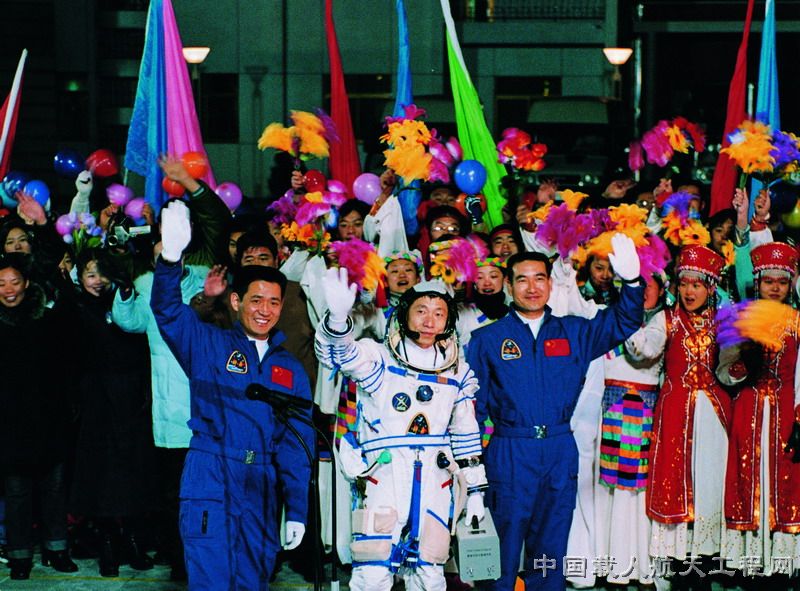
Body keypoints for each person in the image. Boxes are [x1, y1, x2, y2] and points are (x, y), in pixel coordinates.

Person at [466, 234, 644, 591]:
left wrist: (632, 283)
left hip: (560, 449)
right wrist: (472, 469)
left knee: (551, 548)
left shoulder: (575, 332)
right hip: (509, 450)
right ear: (508, 286)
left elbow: (623, 322)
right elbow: (473, 406)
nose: (532, 287)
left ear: (550, 283)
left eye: (539, 278)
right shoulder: (486, 339)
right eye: (522, 279)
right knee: (502, 547)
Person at [150, 200, 313, 590]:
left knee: (254, 581)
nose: (265, 310)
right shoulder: (208, 344)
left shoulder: (289, 370)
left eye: (274, 302)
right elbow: (168, 312)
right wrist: (170, 260)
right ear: (237, 302)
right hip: (212, 474)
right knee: (212, 580)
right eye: (256, 300)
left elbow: (296, 443)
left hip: (262, 483)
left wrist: (297, 509)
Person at [316, 270, 487, 591]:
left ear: (448, 321)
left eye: (439, 313)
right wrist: (338, 320)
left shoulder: (457, 372)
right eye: (421, 310)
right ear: (405, 313)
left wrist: (476, 492)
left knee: (430, 568)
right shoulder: (380, 359)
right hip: (386, 474)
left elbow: (466, 433)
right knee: (373, 566)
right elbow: (338, 356)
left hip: (436, 478)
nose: (429, 320)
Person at [65, 248, 156, 577]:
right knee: (101, 474)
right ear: (79, 277)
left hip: (130, 397)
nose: (98, 281)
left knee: (132, 470)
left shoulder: (126, 303)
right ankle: (106, 543)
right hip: (95, 400)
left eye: (103, 273)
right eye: (90, 274)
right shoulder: (74, 308)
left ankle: (131, 539)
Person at [646, 245, 729, 587]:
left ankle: (706, 562)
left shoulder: (724, 322)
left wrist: (737, 366)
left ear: (711, 287)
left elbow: (731, 370)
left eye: (697, 285)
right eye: (684, 284)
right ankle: (678, 563)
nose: (689, 291)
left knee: (710, 485)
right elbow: (645, 348)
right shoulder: (665, 320)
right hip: (676, 413)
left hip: (714, 416)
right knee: (678, 483)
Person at [718, 242, 800, 577]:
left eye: (782, 281)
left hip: (785, 410)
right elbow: (724, 370)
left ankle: (780, 564)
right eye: (769, 281)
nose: (775, 288)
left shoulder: (797, 322)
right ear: (758, 282)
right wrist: (742, 364)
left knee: (786, 481)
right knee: (746, 478)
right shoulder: (740, 319)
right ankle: (750, 562)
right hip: (748, 409)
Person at [0, 253, 78, 579]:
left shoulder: (45, 320)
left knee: (54, 490)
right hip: (9, 425)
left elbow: (67, 357)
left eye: (14, 282)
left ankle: (56, 549)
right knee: (16, 494)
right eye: (1, 284)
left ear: (27, 283)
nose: (8, 290)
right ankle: (19, 556)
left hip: (49, 420)